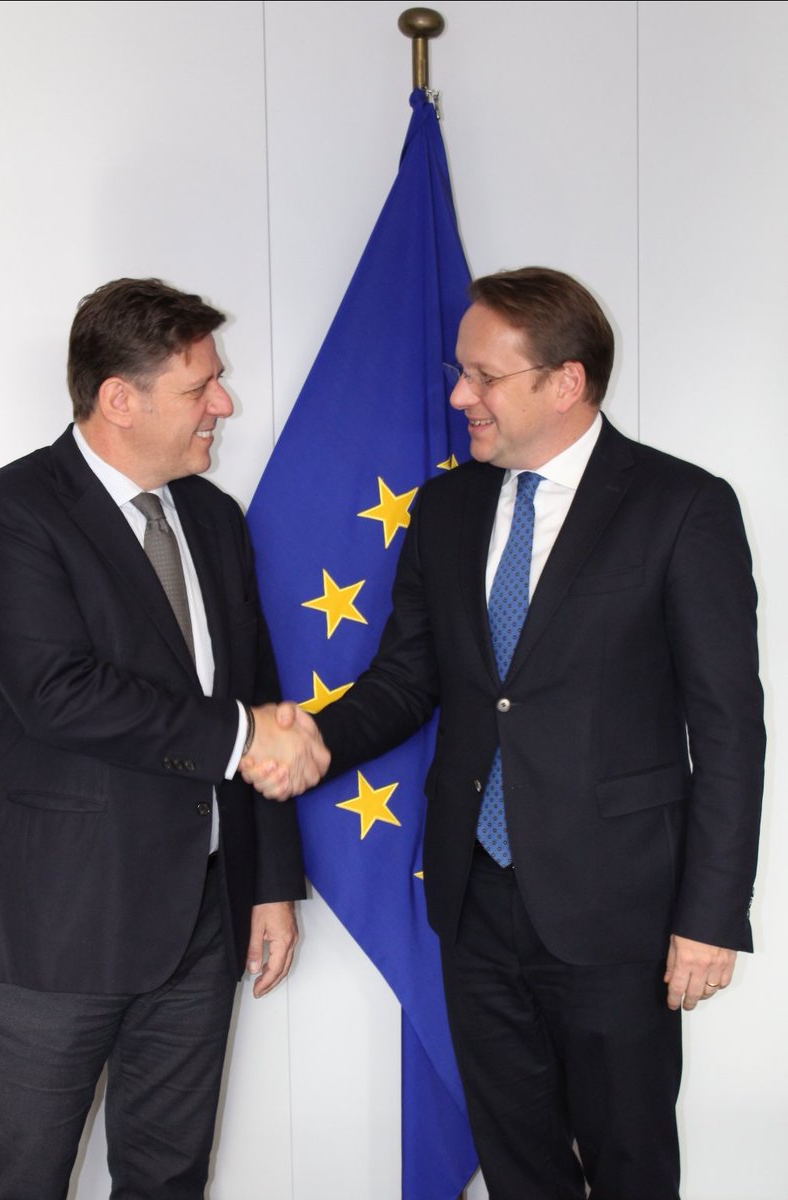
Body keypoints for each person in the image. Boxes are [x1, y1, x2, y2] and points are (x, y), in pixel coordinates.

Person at [244, 267, 765, 1199]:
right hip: (474, 900)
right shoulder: (447, 509)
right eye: (461, 373)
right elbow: (406, 680)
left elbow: (729, 729)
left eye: (484, 377)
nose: (459, 397)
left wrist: (711, 915)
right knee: (520, 1166)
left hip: (620, 910)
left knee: (631, 1166)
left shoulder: (681, 506)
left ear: (566, 382)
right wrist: (310, 737)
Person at [0, 277, 328, 1199]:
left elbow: (254, 691)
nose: (224, 404)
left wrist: (270, 882)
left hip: (202, 917)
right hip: (57, 923)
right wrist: (247, 735)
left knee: (169, 1178)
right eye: (202, 386)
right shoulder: (7, 515)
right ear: (120, 398)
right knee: (20, 1181)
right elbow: (60, 694)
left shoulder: (212, 517)